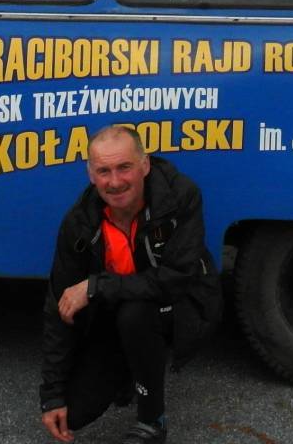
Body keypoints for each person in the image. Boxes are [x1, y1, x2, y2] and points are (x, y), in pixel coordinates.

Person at [40, 126, 222, 444]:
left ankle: (152, 421)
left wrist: (97, 286)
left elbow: (175, 279)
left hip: (182, 305)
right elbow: (59, 305)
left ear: (144, 165)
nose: (115, 181)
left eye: (124, 167)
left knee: (135, 313)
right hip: (118, 313)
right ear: (91, 174)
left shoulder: (180, 196)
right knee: (75, 413)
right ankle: (130, 368)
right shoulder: (79, 222)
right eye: (104, 171)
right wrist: (52, 395)